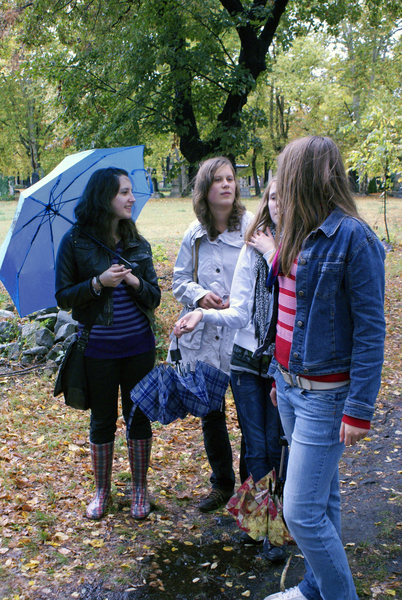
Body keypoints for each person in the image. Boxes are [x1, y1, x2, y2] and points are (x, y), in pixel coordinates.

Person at [263, 136, 386, 600]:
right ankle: (317, 588)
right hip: (290, 388)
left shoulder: (354, 238)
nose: (280, 187)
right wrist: (280, 375)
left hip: (326, 397)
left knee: (300, 512)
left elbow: (371, 331)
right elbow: (288, 313)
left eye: (286, 175)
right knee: (322, 499)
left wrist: (359, 408)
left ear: (306, 178)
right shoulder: (295, 232)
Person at [173, 178, 287, 562]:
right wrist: (202, 313)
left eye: (285, 196)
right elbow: (239, 312)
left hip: (281, 363)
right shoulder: (252, 247)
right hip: (246, 361)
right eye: (272, 197)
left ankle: (277, 527)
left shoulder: (302, 247)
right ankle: (260, 526)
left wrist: (274, 254)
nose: (278, 204)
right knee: (256, 446)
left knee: (276, 445)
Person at [55, 167, 161, 521]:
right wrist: (98, 282)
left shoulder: (137, 243)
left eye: (131, 191)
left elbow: (154, 297)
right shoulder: (75, 241)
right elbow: (63, 296)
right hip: (98, 349)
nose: (132, 198)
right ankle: (102, 492)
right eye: (124, 192)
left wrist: (134, 281)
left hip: (139, 348)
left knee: (139, 417)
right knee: (103, 420)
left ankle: (140, 490)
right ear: (104, 197)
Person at [167, 156, 253, 512]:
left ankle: (249, 493)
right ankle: (221, 484)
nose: (226, 184)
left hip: (242, 337)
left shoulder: (252, 227)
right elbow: (178, 280)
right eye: (218, 179)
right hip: (204, 341)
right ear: (205, 189)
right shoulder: (195, 233)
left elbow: (268, 274)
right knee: (211, 414)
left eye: (230, 178)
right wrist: (199, 295)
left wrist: (241, 299)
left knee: (251, 418)